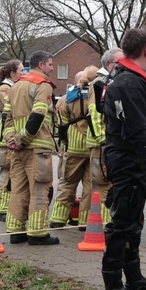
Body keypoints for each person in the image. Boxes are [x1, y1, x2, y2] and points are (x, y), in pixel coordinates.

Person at [101, 29, 146, 290]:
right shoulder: (130, 83)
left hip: (128, 158)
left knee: (134, 221)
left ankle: (133, 276)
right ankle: (113, 285)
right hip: (128, 160)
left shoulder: (125, 79)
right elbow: (138, 130)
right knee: (122, 223)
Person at [4, 50, 59, 245]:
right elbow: (38, 116)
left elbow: (7, 117)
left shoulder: (16, 85)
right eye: (51, 65)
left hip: (18, 150)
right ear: (41, 65)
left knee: (18, 188)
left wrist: (12, 138)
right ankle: (38, 233)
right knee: (39, 189)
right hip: (37, 147)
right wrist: (23, 138)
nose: (52, 69)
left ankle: (16, 231)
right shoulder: (42, 85)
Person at [51, 66, 99, 230]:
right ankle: (85, 222)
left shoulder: (66, 98)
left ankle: (58, 219)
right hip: (92, 146)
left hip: (73, 146)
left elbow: (60, 124)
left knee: (67, 183)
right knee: (90, 186)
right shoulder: (97, 95)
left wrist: (63, 142)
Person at [86, 49, 121, 229]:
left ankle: (105, 223)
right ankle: (100, 226)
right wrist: (102, 139)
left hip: (109, 143)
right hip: (101, 144)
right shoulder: (99, 83)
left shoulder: (111, 82)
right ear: (109, 64)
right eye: (119, 61)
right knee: (102, 184)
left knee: (108, 184)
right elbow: (93, 112)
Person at [0, 59, 24, 223]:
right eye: (21, 71)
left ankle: (9, 207)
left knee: (13, 175)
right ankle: (3, 209)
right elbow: (15, 107)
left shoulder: (12, 87)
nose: (23, 74)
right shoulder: (5, 88)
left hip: (12, 138)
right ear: (12, 73)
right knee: (7, 175)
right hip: (6, 140)